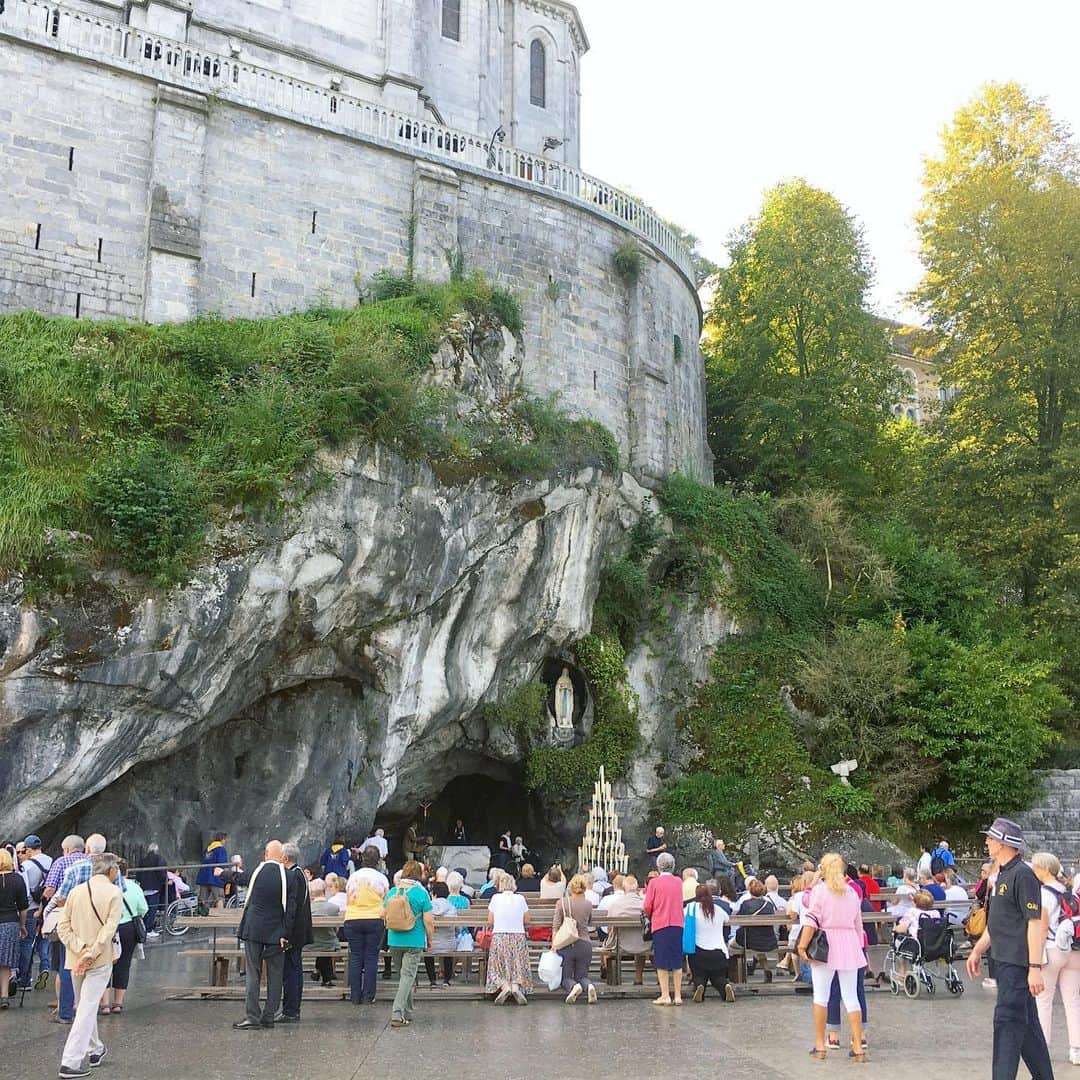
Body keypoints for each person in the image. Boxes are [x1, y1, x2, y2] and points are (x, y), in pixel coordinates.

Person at [966, 817, 1053, 1080]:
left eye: (991, 838)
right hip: (1003, 962)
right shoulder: (1001, 874)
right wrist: (978, 949)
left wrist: (1035, 968)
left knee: (1006, 1025)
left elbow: (1035, 923)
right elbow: (998, 923)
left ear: (1003, 843)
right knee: (1027, 1031)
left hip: (1017, 965)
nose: (987, 841)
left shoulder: (1023, 875)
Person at [56, 852, 122, 1078]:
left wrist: (80, 949)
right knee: (86, 1007)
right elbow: (109, 929)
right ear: (111, 871)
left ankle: (95, 1049)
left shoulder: (75, 892)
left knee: (84, 1004)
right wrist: (92, 952)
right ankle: (71, 1062)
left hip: (75, 958)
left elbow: (62, 926)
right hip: (100, 959)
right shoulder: (114, 893)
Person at [797, 853, 866, 1062]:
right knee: (851, 997)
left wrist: (802, 946)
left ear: (824, 869)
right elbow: (858, 925)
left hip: (825, 945)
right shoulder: (853, 893)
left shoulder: (820, 891)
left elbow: (812, 919)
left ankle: (820, 1044)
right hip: (850, 944)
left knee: (821, 995)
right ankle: (857, 1045)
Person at [233, 840, 295, 1030]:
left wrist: (222, 874)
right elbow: (292, 909)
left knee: (253, 972)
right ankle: (269, 1016)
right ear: (282, 856)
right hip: (277, 932)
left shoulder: (257, 872)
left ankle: (252, 1015)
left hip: (253, 929)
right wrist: (286, 932)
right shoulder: (289, 876)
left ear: (266, 853)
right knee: (276, 975)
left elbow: (239, 878)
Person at [1031, 851, 1080, 1066]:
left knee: (1043, 1001)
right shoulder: (1070, 891)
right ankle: (1076, 1050)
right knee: (1073, 1001)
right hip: (1074, 950)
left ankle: (1043, 1049)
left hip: (1051, 950)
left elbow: (1041, 927)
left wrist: (1034, 959)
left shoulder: (1043, 893)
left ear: (1043, 869)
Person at [385, 860, 434, 1029]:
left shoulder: (392, 892)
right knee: (408, 976)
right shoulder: (421, 893)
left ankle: (408, 1010)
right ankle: (397, 1014)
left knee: (403, 976)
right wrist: (430, 939)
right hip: (414, 939)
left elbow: (383, 913)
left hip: (394, 939)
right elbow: (429, 920)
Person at [343, 848, 390, 1005]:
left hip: (353, 918)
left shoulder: (353, 876)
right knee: (371, 957)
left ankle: (355, 995)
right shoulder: (381, 878)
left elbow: (348, 896)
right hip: (374, 918)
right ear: (378, 860)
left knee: (355, 956)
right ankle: (368, 995)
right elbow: (386, 899)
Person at [102, 859, 147, 1014]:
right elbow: (143, 909)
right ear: (126, 871)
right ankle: (118, 1003)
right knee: (124, 963)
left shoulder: (106, 888)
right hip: (128, 928)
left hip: (108, 927)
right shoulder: (134, 887)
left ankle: (105, 1004)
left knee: (105, 964)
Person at [643, 851, 684, 1005]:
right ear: (673, 866)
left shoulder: (654, 883)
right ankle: (678, 995)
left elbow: (647, 906)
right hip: (677, 923)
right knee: (677, 960)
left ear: (658, 866)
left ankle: (665, 995)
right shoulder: (678, 882)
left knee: (661, 961)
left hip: (660, 924)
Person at [280, 842, 313, 1023]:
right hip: (299, 930)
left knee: (291, 971)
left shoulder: (293, 876)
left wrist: (285, 932)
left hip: (294, 931)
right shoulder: (300, 873)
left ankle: (290, 1010)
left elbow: (291, 907)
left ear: (285, 858)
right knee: (295, 969)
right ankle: (292, 1008)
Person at [486, 873, 531, 1004]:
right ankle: (516, 986)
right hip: (518, 936)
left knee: (497, 964)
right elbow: (527, 919)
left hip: (500, 935)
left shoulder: (495, 898)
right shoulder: (520, 898)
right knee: (517, 963)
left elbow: (490, 920)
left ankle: (504, 986)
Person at [688, 882, 735, 1003]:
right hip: (719, 952)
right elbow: (727, 919)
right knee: (718, 978)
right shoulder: (717, 909)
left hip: (698, 952)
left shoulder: (691, 908)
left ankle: (699, 986)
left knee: (699, 976)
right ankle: (725, 986)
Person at [553, 873, 596, 1004]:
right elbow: (588, 922)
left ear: (571, 887)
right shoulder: (588, 904)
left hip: (567, 944)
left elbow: (555, 926)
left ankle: (573, 986)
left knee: (565, 977)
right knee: (582, 975)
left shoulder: (562, 903)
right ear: (585, 888)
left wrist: (554, 946)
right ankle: (589, 986)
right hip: (585, 943)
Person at [16, 833, 51, 990]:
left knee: (26, 943)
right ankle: (45, 967)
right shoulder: (52, 861)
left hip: (31, 909)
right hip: (48, 909)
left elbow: (25, 892)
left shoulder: (27, 866)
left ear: (29, 850)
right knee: (45, 941)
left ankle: (25, 979)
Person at [0, 847, 29, 1010]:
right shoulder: (17, 879)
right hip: (10, 923)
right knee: (5, 963)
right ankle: (4, 996)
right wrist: (23, 925)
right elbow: (23, 906)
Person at [734, 878, 778, 982]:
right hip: (769, 940)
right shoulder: (769, 905)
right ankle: (766, 969)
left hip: (750, 940)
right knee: (758, 949)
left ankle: (740, 976)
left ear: (749, 890)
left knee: (732, 946)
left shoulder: (746, 904)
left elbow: (738, 919)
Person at [307, 879, 342, 987]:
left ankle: (319, 972)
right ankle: (326, 978)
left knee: (321, 941)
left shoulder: (307, 908)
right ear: (324, 891)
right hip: (329, 943)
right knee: (326, 942)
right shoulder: (334, 908)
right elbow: (336, 929)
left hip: (309, 944)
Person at [135, 843, 166, 939]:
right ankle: (149, 930)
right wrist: (163, 881)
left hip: (144, 888)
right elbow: (162, 874)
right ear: (157, 850)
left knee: (144, 909)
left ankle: (143, 928)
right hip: (154, 888)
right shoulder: (159, 859)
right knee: (152, 910)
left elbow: (138, 874)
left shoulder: (143, 860)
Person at [196, 833, 228, 911]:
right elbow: (222, 864)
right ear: (222, 839)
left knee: (203, 900)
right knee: (219, 898)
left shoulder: (208, 849)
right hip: (215, 878)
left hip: (204, 877)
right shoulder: (221, 849)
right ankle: (220, 917)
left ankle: (203, 917)